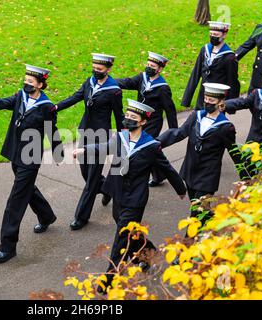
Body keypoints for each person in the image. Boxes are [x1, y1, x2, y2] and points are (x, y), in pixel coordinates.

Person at [73, 99, 186, 292]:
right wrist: (84, 150)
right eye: (127, 116)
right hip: (118, 193)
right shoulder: (120, 137)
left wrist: (180, 188)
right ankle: (149, 253)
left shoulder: (151, 146)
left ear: (143, 121)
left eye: (133, 117)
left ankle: (108, 280)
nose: (128, 119)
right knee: (130, 232)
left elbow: (165, 167)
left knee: (121, 238)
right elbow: (104, 147)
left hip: (136, 198)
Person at [0, 64, 64, 264]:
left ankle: (7, 246)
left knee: (15, 201)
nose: (26, 84)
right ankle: (46, 216)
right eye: (26, 81)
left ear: (40, 84)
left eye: (31, 82)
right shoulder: (21, 96)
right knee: (27, 189)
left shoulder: (46, 106)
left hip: (30, 158)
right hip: (15, 152)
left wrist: (58, 153)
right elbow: (3, 102)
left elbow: (51, 129)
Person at [54, 53, 124, 230]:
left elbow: (118, 114)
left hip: (101, 136)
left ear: (108, 69)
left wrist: (123, 136)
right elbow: (76, 96)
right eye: (94, 68)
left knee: (92, 179)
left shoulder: (114, 89)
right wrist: (56, 107)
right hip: (85, 132)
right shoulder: (89, 81)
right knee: (85, 172)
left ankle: (81, 217)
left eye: (99, 69)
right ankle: (108, 189)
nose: (95, 71)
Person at [158, 83, 240, 224]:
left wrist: (246, 173)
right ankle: (215, 226)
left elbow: (233, 151)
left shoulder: (226, 127)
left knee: (196, 215)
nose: (207, 102)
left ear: (221, 102)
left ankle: (189, 243)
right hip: (190, 171)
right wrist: (156, 143)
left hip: (208, 176)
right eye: (206, 98)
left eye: (211, 100)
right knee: (200, 210)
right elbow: (179, 133)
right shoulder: (196, 116)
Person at [117, 51, 178, 187]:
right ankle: (159, 174)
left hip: (153, 123)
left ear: (160, 69)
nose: (149, 68)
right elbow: (129, 82)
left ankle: (136, 176)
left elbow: (170, 108)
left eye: (153, 66)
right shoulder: (142, 78)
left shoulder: (162, 88)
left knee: (144, 148)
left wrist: (174, 130)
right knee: (149, 149)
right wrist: (112, 82)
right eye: (148, 64)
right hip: (137, 121)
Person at [182, 21, 240, 110]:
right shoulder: (204, 50)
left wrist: (231, 105)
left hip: (217, 100)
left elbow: (232, 81)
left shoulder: (229, 57)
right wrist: (186, 99)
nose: (213, 36)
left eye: (216, 34)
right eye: (211, 34)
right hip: (202, 97)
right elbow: (195, 74)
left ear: (224, 35)